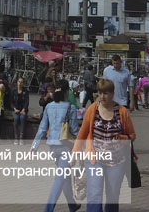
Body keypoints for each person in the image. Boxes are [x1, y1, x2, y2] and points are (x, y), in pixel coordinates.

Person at [70, 79, 136, 212]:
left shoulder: (122, 112)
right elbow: (82, 134)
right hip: (95, 159)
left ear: (112, 94)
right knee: (95, 193)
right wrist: (74, 155)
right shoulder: (92, 110)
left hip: (116, 161)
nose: (102, 96)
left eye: (106, 93)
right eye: (100, 93)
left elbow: (132, 135)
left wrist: (122, 138)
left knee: (113, 195)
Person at [31, 79, 80, 212]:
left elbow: (42, 127)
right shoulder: (71, 107)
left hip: (53, 147)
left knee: (64, 177)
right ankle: (48, 209)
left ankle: (72, 204)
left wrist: (34, 146)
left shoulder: (49, 106)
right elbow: (75, 130)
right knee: (60, 178)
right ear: (66, 92)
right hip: (66, 146)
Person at [11, 76, 29, 145]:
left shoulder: (25, 91)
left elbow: (27, 102)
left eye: (21, 82)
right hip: (15, 109)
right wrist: (14, 109)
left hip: (23, 110)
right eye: (19, 82)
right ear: (17, 82)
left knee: (22, 118)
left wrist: (24, 109)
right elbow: (11, 102)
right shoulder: (13, 90)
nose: (20, 83)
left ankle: (21, 137)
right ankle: (16, 137)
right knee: (16, 118)